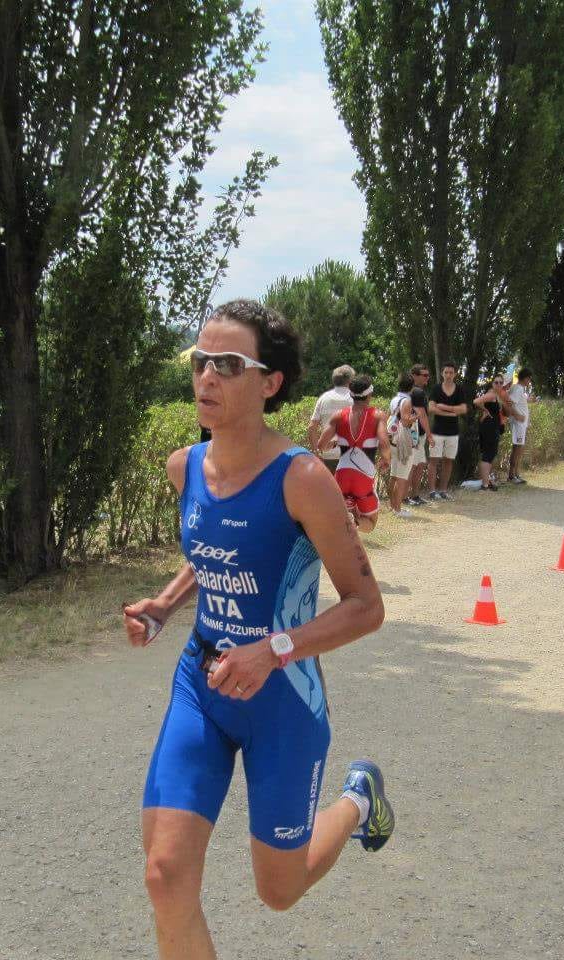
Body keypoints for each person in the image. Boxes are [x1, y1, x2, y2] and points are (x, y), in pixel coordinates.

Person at [123, 300, 394, 960]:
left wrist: (272, 652)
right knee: (165, 876)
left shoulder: (302, 478)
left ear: (269, 383)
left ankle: (359, 800)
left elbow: (365, 605)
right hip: (202, 686)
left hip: (281, 698)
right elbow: (212, 550)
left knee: (279, 890)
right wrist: (164, 603)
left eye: (227, 364)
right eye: (199, 361)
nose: (205, 377)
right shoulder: (183, 466)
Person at [316, 373, 390, 532]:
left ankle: (349, 519)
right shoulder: (378, 415)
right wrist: (386, 460)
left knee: (343, 521)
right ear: (370, 393)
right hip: (363, 476)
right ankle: (354, 522)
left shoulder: (338, 416)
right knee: (370, 523)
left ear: (351, 393)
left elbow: (321, 445)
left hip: (342, 473)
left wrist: (334, 443)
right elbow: (384, 443)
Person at [427, 361, 467, 500]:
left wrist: (444, 407)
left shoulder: (460, 389)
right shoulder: (436, 389)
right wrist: (451, 412)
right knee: (433, 460)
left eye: (451, 372)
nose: (449, 375)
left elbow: (463, 409)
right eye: (446, 372)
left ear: (455, 374)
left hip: (453, 432)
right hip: (437, 431)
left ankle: (443, 490)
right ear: (442, 374)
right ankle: (432, 491)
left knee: (448, 461)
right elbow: (431, 408)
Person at [307, 365, 356, 474]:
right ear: (350, 381)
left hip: (327, 455)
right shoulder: (355, 399)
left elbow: (311, 427)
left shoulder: (324, 399)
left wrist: (316, 451)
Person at [473, 375, 513, 490]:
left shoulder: (497, 395)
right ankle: (485, 484)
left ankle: (487, 481)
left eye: (501, 383)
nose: (499, 385)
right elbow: (476, 401)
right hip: (489, 427)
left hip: (492, 426)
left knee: (490, 454)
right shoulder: (491, 394)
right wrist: (485, 410)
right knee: (488, 454)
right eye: (496, 382)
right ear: (492, 383)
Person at [388, 373, 418, 518]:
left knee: (394, 475)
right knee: (401, 477)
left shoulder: (395, 399)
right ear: (411, 386)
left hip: (393, 439)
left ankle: (392, 506)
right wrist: (416, 416)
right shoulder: (407, 401)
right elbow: (406, 421)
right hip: (403, 440)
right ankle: (398, 509)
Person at [405, 363, 434, 506]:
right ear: (414, 376)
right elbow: (421, 415)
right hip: (415, 434)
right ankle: (406, 497)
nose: (427, 378)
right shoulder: (417, 392)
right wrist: (429, 434)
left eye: (428, 375)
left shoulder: (411, 391)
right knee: (412, 465)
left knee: (420, 464)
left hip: (414, 434)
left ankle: (414, 495)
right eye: (424, 375)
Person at [505, 367, 534, 484]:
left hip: (521, 424)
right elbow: (509, 403)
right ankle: (512, 475)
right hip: (518, 424)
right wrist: (517, 416)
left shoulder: (519, 389)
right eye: (529, 379)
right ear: (526, 378)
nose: (529, 382)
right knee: (517, 449)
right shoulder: (518, 389)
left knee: (519, 448)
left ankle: (516, 473)